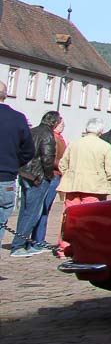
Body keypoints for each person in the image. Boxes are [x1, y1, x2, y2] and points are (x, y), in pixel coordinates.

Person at [57, 118, 111, 258]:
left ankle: (64, 246)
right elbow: (110, 170)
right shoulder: (104, 146)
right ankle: (85, 246)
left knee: (68, 216)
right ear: (100, 131)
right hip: (93, 186)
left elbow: (63, 164)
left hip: (73, 184)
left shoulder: (75, 144)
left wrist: (69, 174)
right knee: (88, 218)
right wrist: (104, 180)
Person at [11, 111, 63, 256]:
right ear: (54, 122)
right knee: (33, 212)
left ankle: (23, 242)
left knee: (25, 211)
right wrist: (48, 176)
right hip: (38, 177)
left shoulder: (32, 131)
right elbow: (47, 158)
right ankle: (19, 245)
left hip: (25, 174)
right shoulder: (47, 135)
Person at [0, 83, 36, 245]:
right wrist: (14, 163)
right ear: (5, 95)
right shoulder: (17, 118)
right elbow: (29, 151)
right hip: (6, 177)